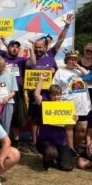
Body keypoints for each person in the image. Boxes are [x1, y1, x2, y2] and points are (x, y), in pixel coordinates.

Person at [25, 13, 72, 146]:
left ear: (45, 48)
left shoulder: (51, 55)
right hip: (36, 94)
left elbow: (60, 41)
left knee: (48, 119)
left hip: (50, 94)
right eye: (36, 47)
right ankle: (34, 141)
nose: (38, 49)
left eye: (40, 47)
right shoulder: (30, 60)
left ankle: (50, 142)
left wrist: (67, 26)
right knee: (35, 119)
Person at [33, 78, 77, 171]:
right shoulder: (45, 105)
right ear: (50, 95)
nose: (56, 97)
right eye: (54, 95)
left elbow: (69, 128)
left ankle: (57, 156)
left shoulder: (66, 107)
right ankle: (47, 159)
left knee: (68, 167)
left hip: (61, 142)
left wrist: (75, 119)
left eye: (58, 95)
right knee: (51, 152)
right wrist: (41, 80)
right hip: (45, 141)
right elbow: (37, 95)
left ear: (61, 95)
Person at [52, 50, 92, 149]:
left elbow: (91, 79)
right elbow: (54, 88)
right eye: (71, 59)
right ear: (66, 60)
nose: (73, 61)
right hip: (68, 105)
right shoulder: (60, 72)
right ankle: (71, 150)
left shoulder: (81, 71)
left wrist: (79, 67)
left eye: (75, 59)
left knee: (82, 129)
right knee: (69, 129)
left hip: (83, 106)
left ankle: (76, 146)